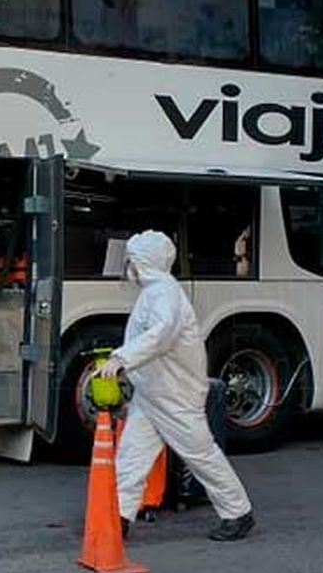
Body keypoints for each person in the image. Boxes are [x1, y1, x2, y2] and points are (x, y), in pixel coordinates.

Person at [95, 231, 255, 542]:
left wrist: (121, 359)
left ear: (142, 263)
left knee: (200, 455)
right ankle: (119, 517)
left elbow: (161, 334)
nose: (127, 267)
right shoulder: (155, 291)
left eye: (131, 261)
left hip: (174, 396)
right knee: (131, 455)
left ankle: (238, 512)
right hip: (155, 393)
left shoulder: (163, 294)